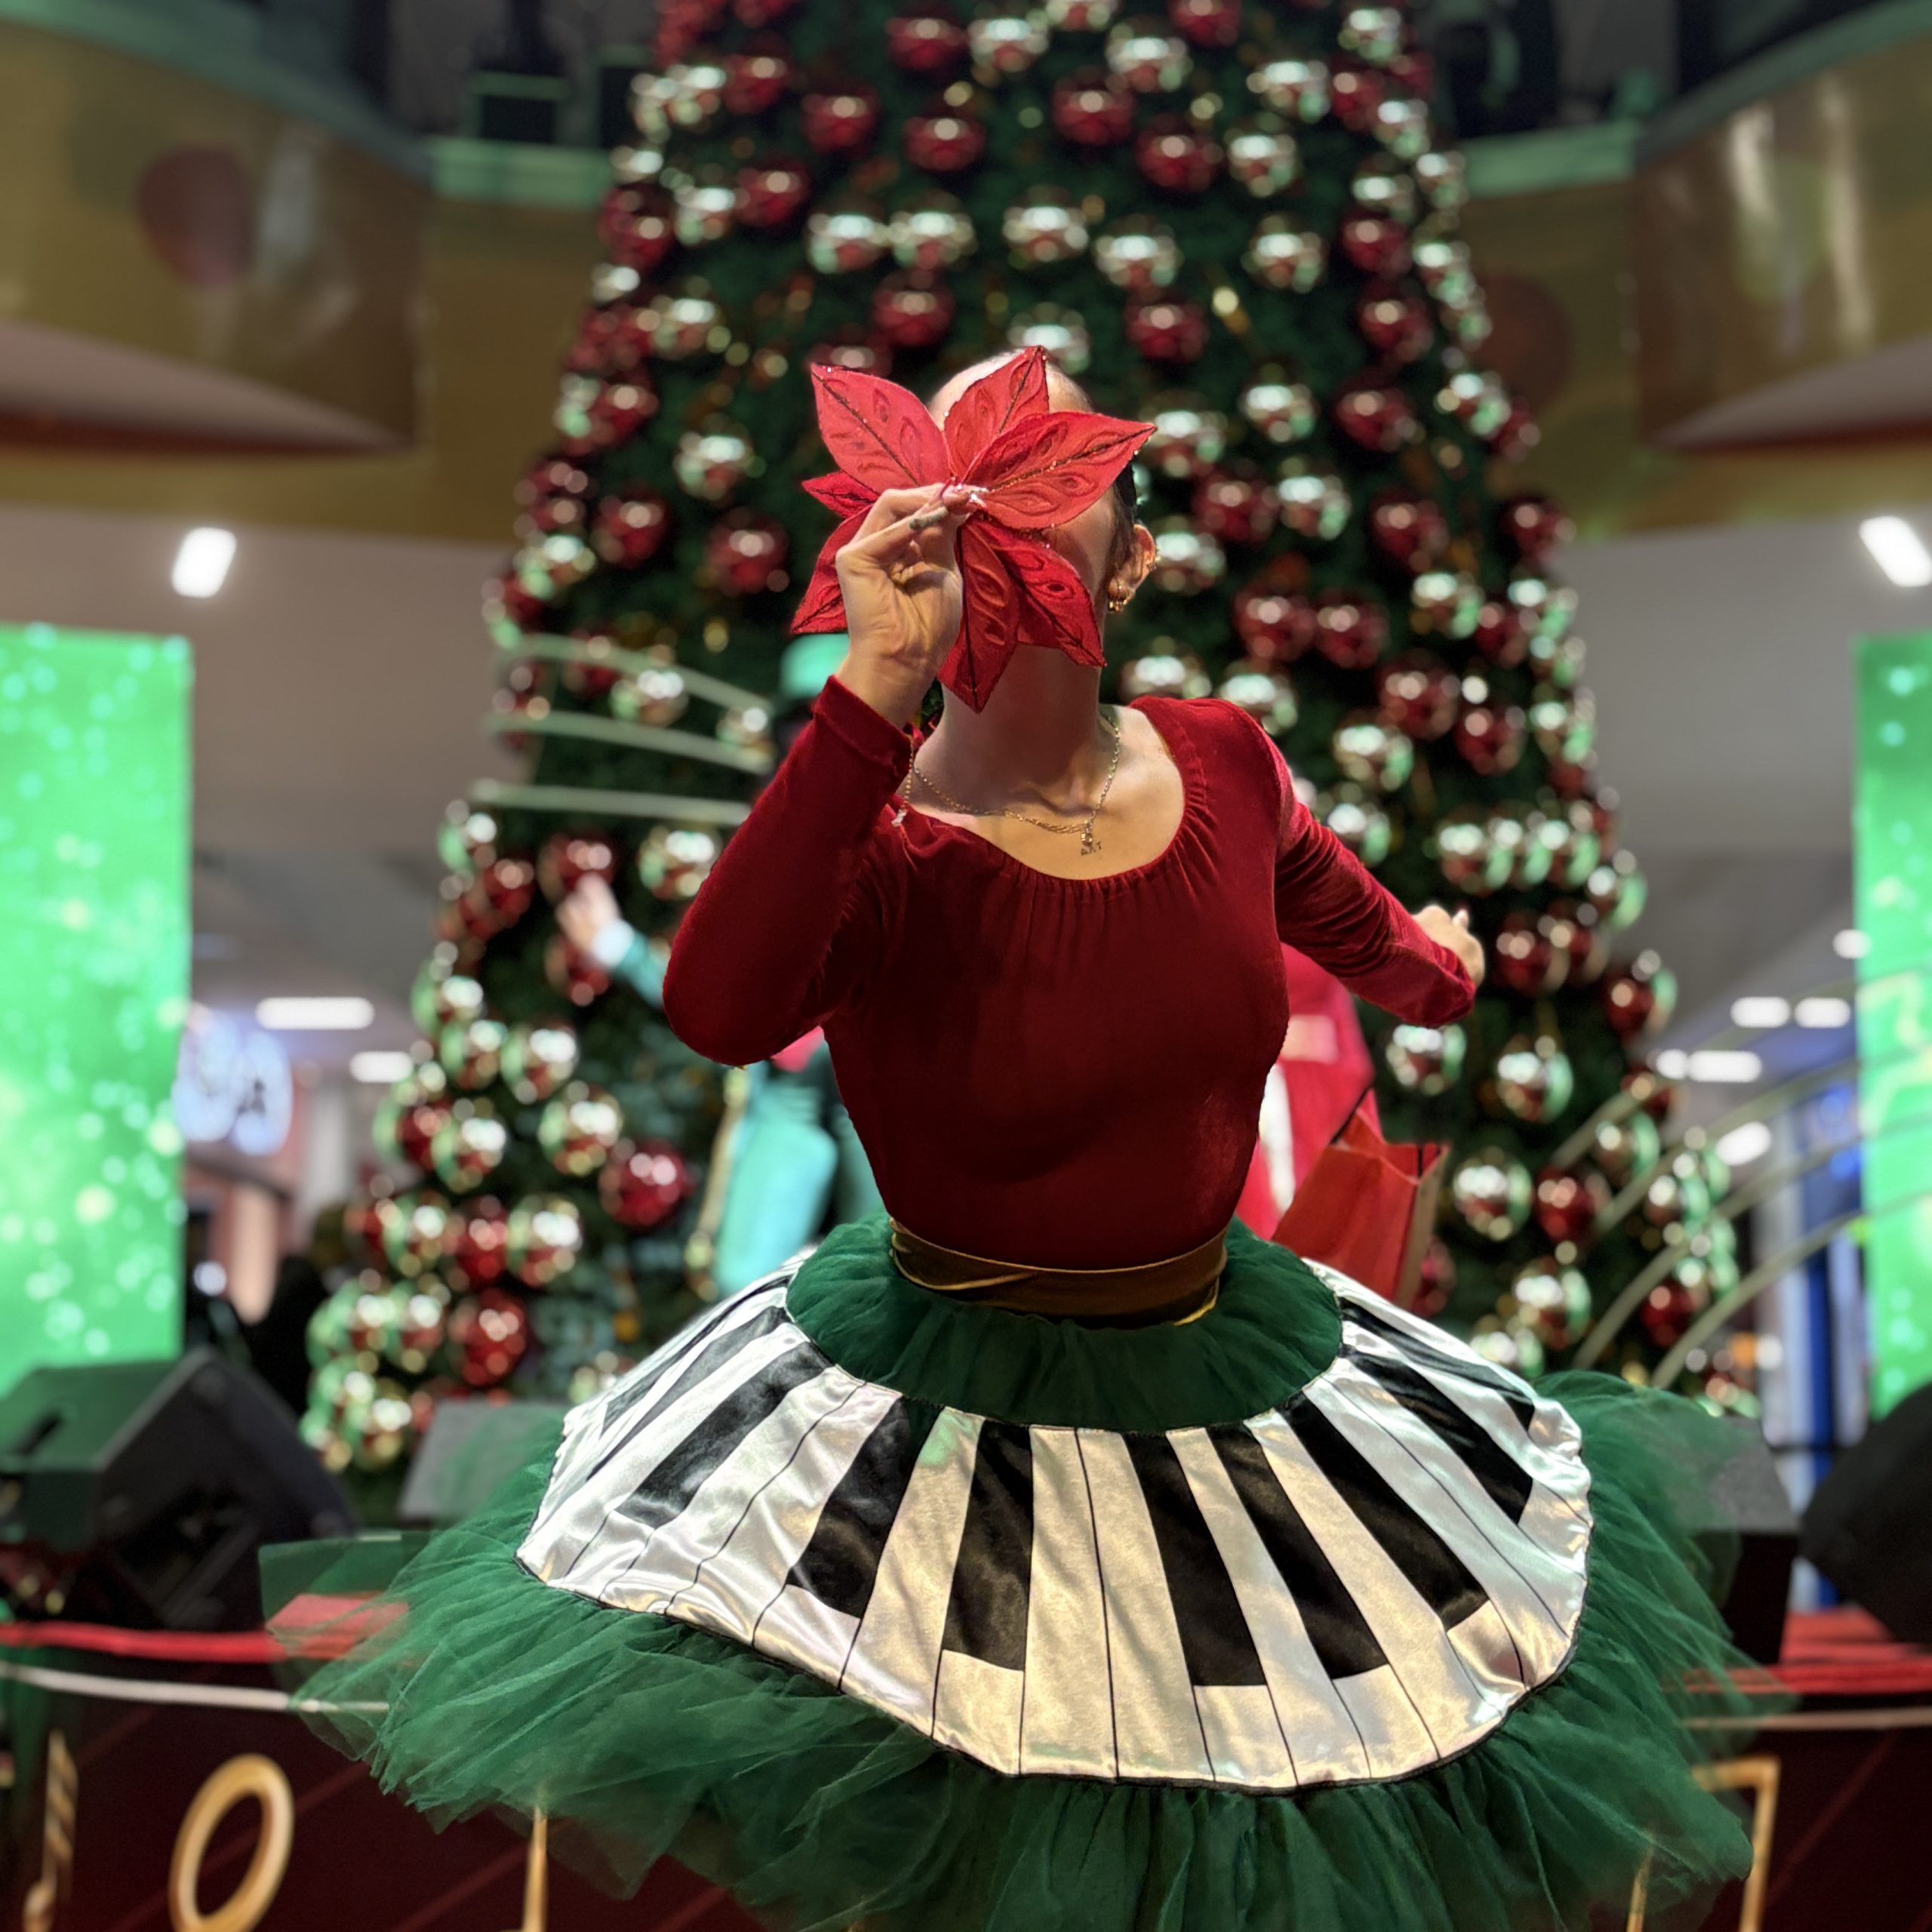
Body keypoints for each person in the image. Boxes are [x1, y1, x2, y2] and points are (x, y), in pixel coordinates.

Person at [301, 353, 1760, 1932]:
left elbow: (1357, 923)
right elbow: (721, 1004)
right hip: (933, 1421)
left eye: (1043, 474)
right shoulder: (879, 841)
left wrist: (1444, 967)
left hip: (1223, 1377)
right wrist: (870, 691)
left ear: (1126, 560)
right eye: (942, 468)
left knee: (1236, 1812)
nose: (981, 503)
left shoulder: (1223, 759)